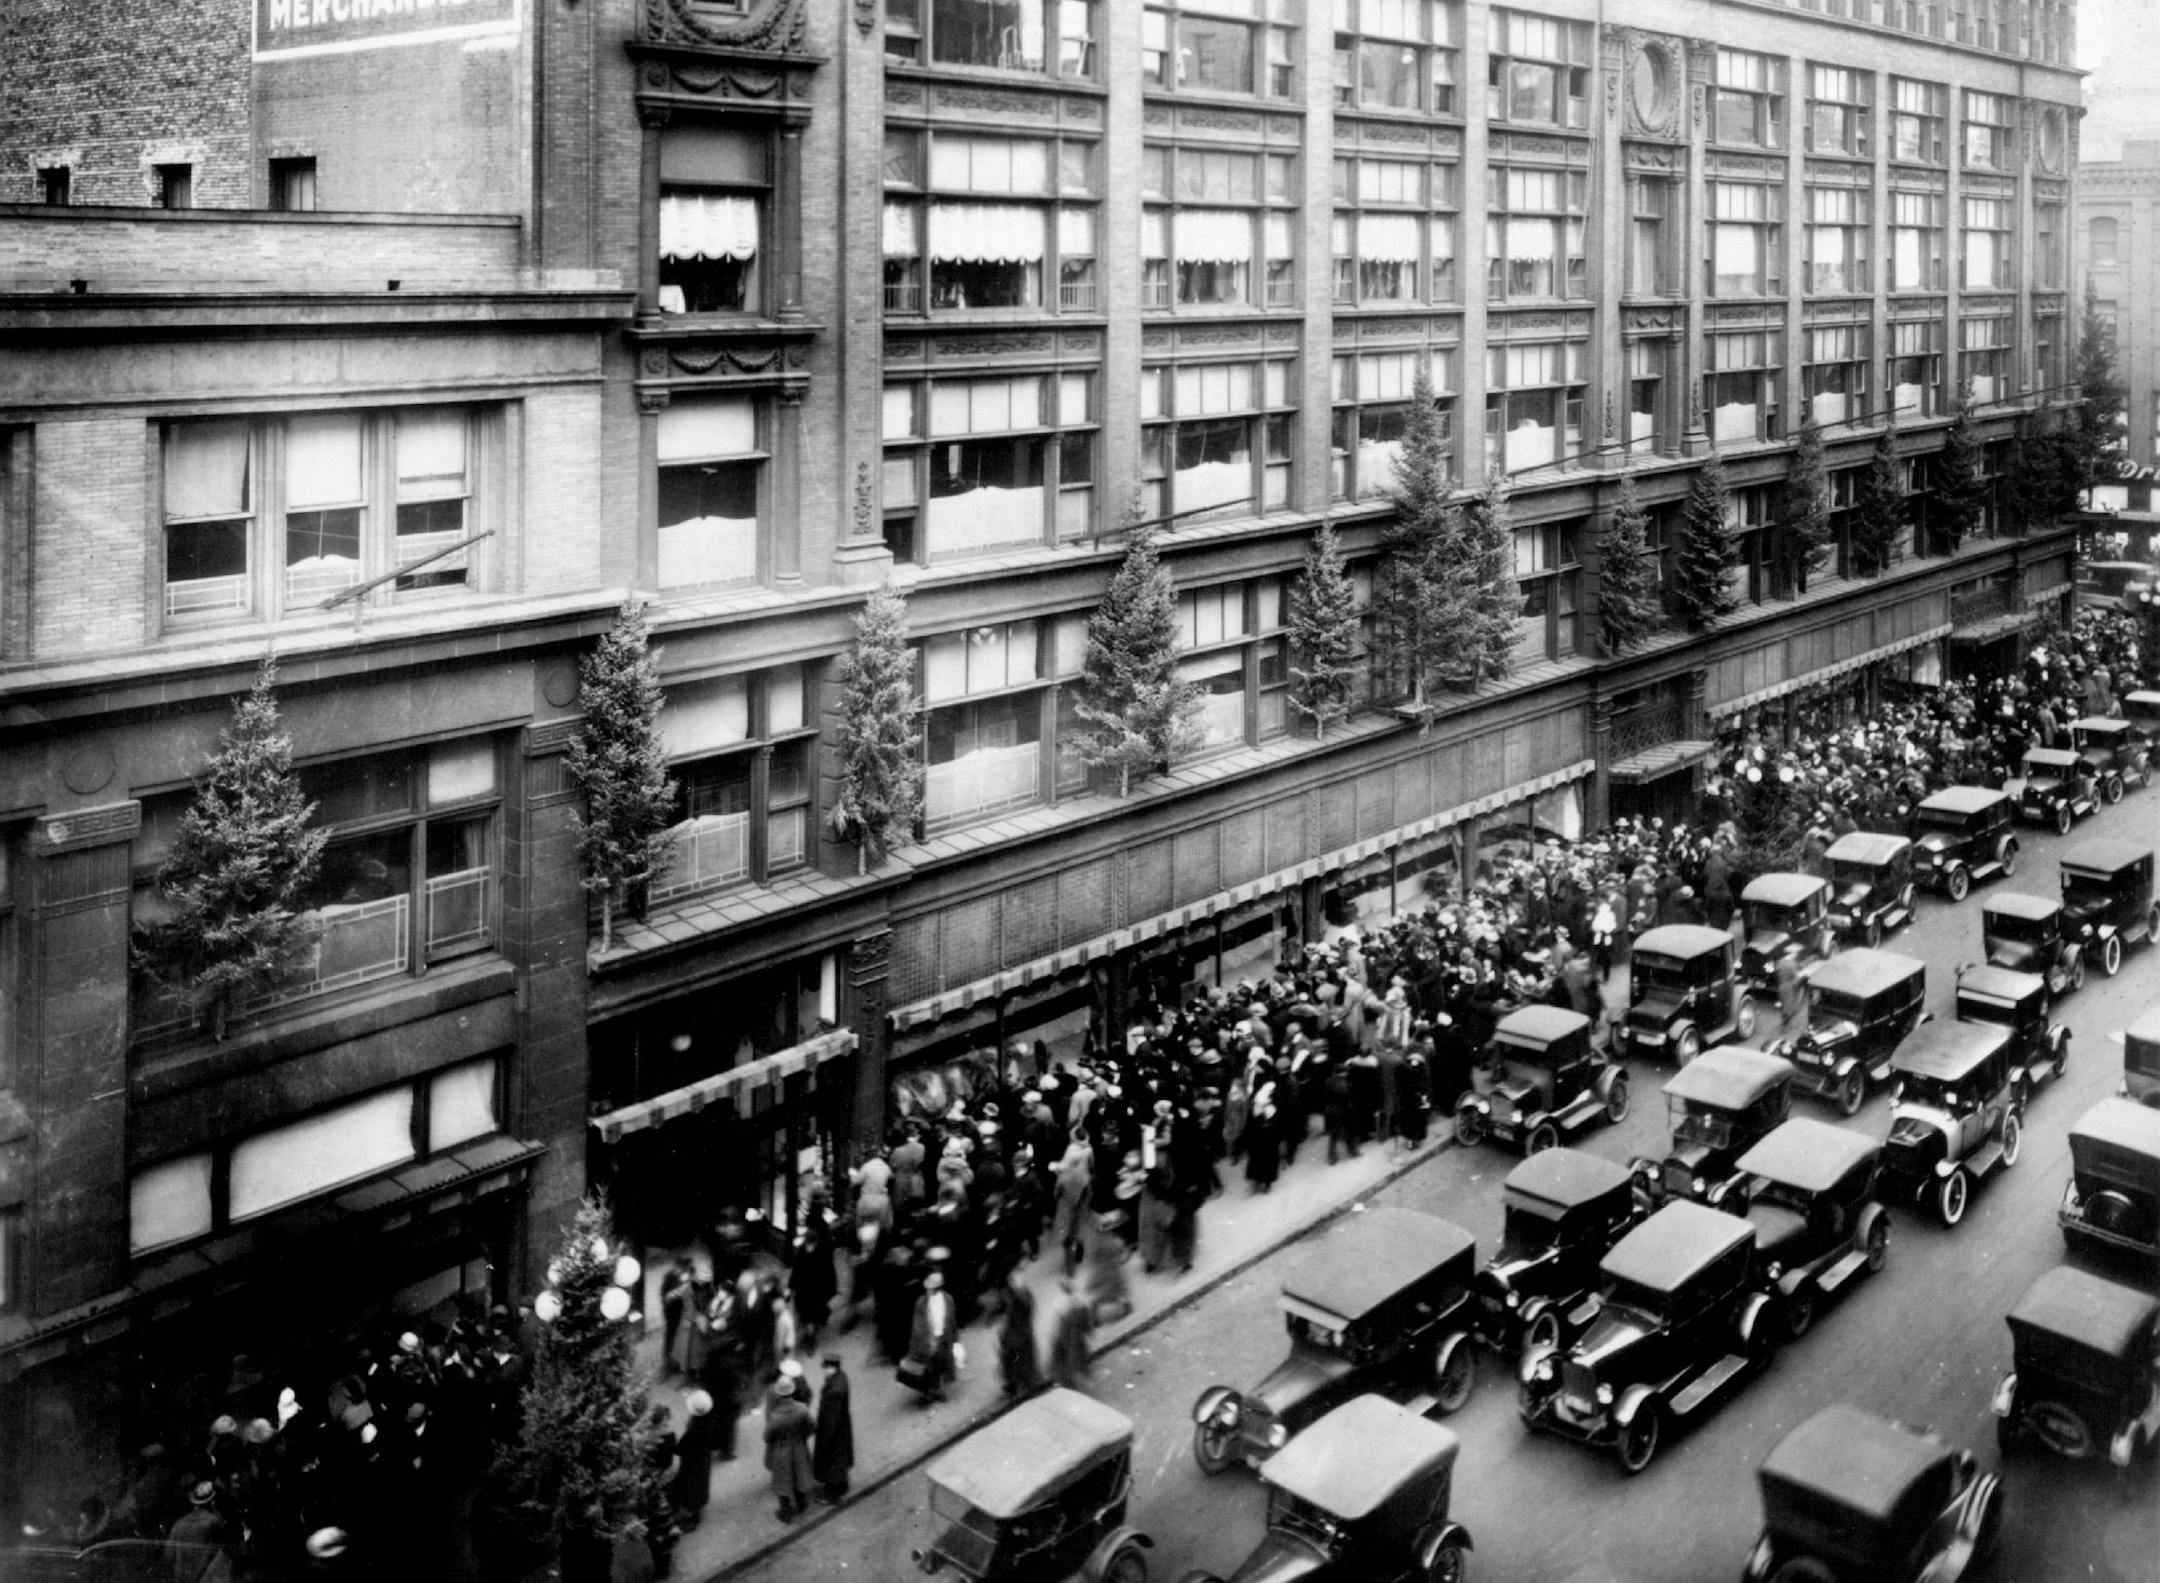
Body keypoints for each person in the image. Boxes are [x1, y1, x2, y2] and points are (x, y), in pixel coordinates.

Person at [762, 1376, 815, 1523]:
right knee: (799, 1476)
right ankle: (802, 1505)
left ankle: (785, 1513)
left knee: (783, 1482)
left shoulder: (775, 1416)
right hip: (799, 1448)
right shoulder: (802, 1409)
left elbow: (767, 1437)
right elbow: (812, 1427)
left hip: (781, 1452)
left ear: (779, 1394)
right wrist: (802, 1437)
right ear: (792, 1392)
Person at [902, 1269, 958, 1403]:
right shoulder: (921, 1302)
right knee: (927, 1367)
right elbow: (917, 1325)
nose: (929, 1290)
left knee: (941, 1365)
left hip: (943, 1338)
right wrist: (920, 1343)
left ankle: (937, 1389)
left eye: (932, 1287)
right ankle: (928, 1392)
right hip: (927, 1340)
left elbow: (952, 1321)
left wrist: (955, 1340)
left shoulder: (948, 1299)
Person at [670, 1389, 717, 1529]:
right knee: (700, 1486)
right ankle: (697, 1511)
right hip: (703, 1460)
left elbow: (679, 1448)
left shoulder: (693, 1431)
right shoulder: (710, 1421)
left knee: (690, 1490)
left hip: (691, 1463)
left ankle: (691, 1520)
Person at [811, 1355, 854, 1505]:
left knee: (831, 1463)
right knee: (840, 1462)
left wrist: (825, 1438)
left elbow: (831, 1418)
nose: (824, 1371)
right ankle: (842, 1486)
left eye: (826, 1368)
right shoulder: (841, 1378)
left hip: (832, 1432)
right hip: (842, 1429)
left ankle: (831, 1495)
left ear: (832, 1368)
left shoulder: (834, 1391)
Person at [997, 1270, 1045, 1399]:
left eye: (1014, 1282)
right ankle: (1015, 1383)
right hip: (1016, 1335)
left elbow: (1023, 1314)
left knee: (1020, 1361)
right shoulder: (1017, 1296)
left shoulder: (1022, 1298)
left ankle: (1024, 1385)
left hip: (1019, 1336)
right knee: (1014, 1361)